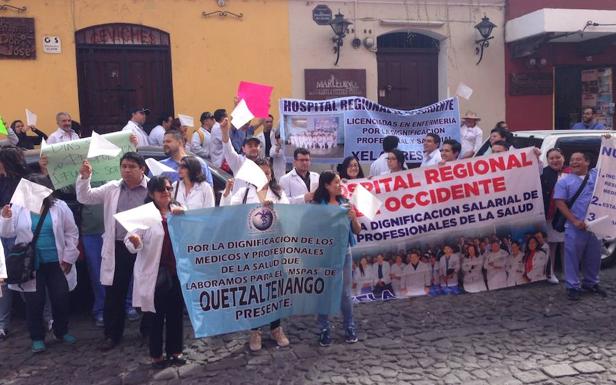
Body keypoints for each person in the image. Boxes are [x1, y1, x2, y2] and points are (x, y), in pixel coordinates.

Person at [76, 152, 149, 350]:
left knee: (148, 289)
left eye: (132, 166)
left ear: (142, 169)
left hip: (146, 247)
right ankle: (112, 334)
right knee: (114, 292)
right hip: (118, 247)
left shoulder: (152, 187)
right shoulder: (112, 188)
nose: (126, 170)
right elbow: (85, 197)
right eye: (123, 166)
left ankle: (148, 329)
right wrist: (84, 177)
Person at [1, 174, 79, 353]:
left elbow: (71, 232)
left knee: (61, 298)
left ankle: (61, 331)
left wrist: (68, 257)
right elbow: (6, 233)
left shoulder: (59, 207)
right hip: (31, 265)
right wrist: (5, 218)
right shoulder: (18, 207)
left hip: (57, 262)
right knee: (34, 303)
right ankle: (37, 337)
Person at [222, 158, 290, 350]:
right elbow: (227, 214)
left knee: (275, 289)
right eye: (261, 173)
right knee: (255, 292)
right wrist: (227, 193)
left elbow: (289, 216)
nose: (265, 176)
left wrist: (275, 210)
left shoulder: (278, 193)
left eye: (267, 173)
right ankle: (255, 331)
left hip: (275, 250)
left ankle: (276, 328)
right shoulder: (243, 194)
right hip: (251, 251)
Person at [124, 176, 186, 369]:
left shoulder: (179, 210)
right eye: (161, 190)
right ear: (151, 194)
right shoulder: (144, 214)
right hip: (156, 273)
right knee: (156, 317)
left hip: (177, 272)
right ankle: (156, 355)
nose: (166, 193)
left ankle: (176, 352)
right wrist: (135, 241)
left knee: (176, 314)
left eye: (168, 189)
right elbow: (130, 239)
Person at [312, 171, 361, 346]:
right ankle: (324, 328)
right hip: (325, 255)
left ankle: (349, 326)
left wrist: (353, 218)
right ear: (326, 185)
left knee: (345, 294)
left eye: (340, 182)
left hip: (344, 253)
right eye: (336, 183)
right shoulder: (317, 206)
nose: (340, 185)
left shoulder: (346, 203)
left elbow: (357, 230)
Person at [554, 151, 606, 301]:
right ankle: (572, 286)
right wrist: (574, 220)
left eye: (578, 159)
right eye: (572, 160)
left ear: (588, 162)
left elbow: (609, 163)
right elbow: (559, 202)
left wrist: (608, 142)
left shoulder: (596, 176)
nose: (574, 162)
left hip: (595, 225)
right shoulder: (564, 181)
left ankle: (591, 283)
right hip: (575, 226)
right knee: (572, 257)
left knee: (594, 256)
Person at [0, 147, 31, 339]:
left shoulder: (24, 182)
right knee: (3, 280)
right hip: (2, 234)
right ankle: (2, 323)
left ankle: (40, 318)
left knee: (24, 278)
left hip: (18, 236)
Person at [540, 148, 570, 284]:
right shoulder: (543, 173)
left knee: (567, 246)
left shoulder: (571, 172)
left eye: (558, 157)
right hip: (551, 215)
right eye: (551, 158)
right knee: (552, 245)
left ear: (563, 157)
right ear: (548, 160)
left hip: (569, 215)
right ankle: (550, 272)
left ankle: (568, 272)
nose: (555, 160)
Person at [220, 116, 261, 194]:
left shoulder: (264, 164)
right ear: (243, 149)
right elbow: (228, 148)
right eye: (250, 146)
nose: (253, 148)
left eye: (256, 145)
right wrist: (224, 132)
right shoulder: (238, 162)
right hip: (240, 204)